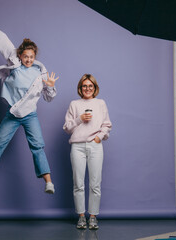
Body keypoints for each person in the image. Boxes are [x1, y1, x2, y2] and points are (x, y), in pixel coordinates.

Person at [0, 16, 59, 194]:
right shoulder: (14, 63)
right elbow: (2, 41)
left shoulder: (40, 73)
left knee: (37, 146)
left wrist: (51, 87)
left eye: (31, 57)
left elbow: (48, 98)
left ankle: (48, 183)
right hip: (12, 114)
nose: (28, 60)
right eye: (25, 56)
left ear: (35, 57)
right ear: (20, 56)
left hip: (30, 115)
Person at [63, 74, 112, 229]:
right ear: (80, 88)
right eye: (85, 86)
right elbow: (67, 127)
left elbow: (107, 124)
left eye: (90, 86)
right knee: (78, 183)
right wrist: (79, 119)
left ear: (95, 88)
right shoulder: (74, 104)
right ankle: (81, 217)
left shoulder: (100, 103)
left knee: (95, 183)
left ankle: (93, 217)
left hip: (95, 146)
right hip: (77, 147)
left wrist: (99, 137)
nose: (87, 89)